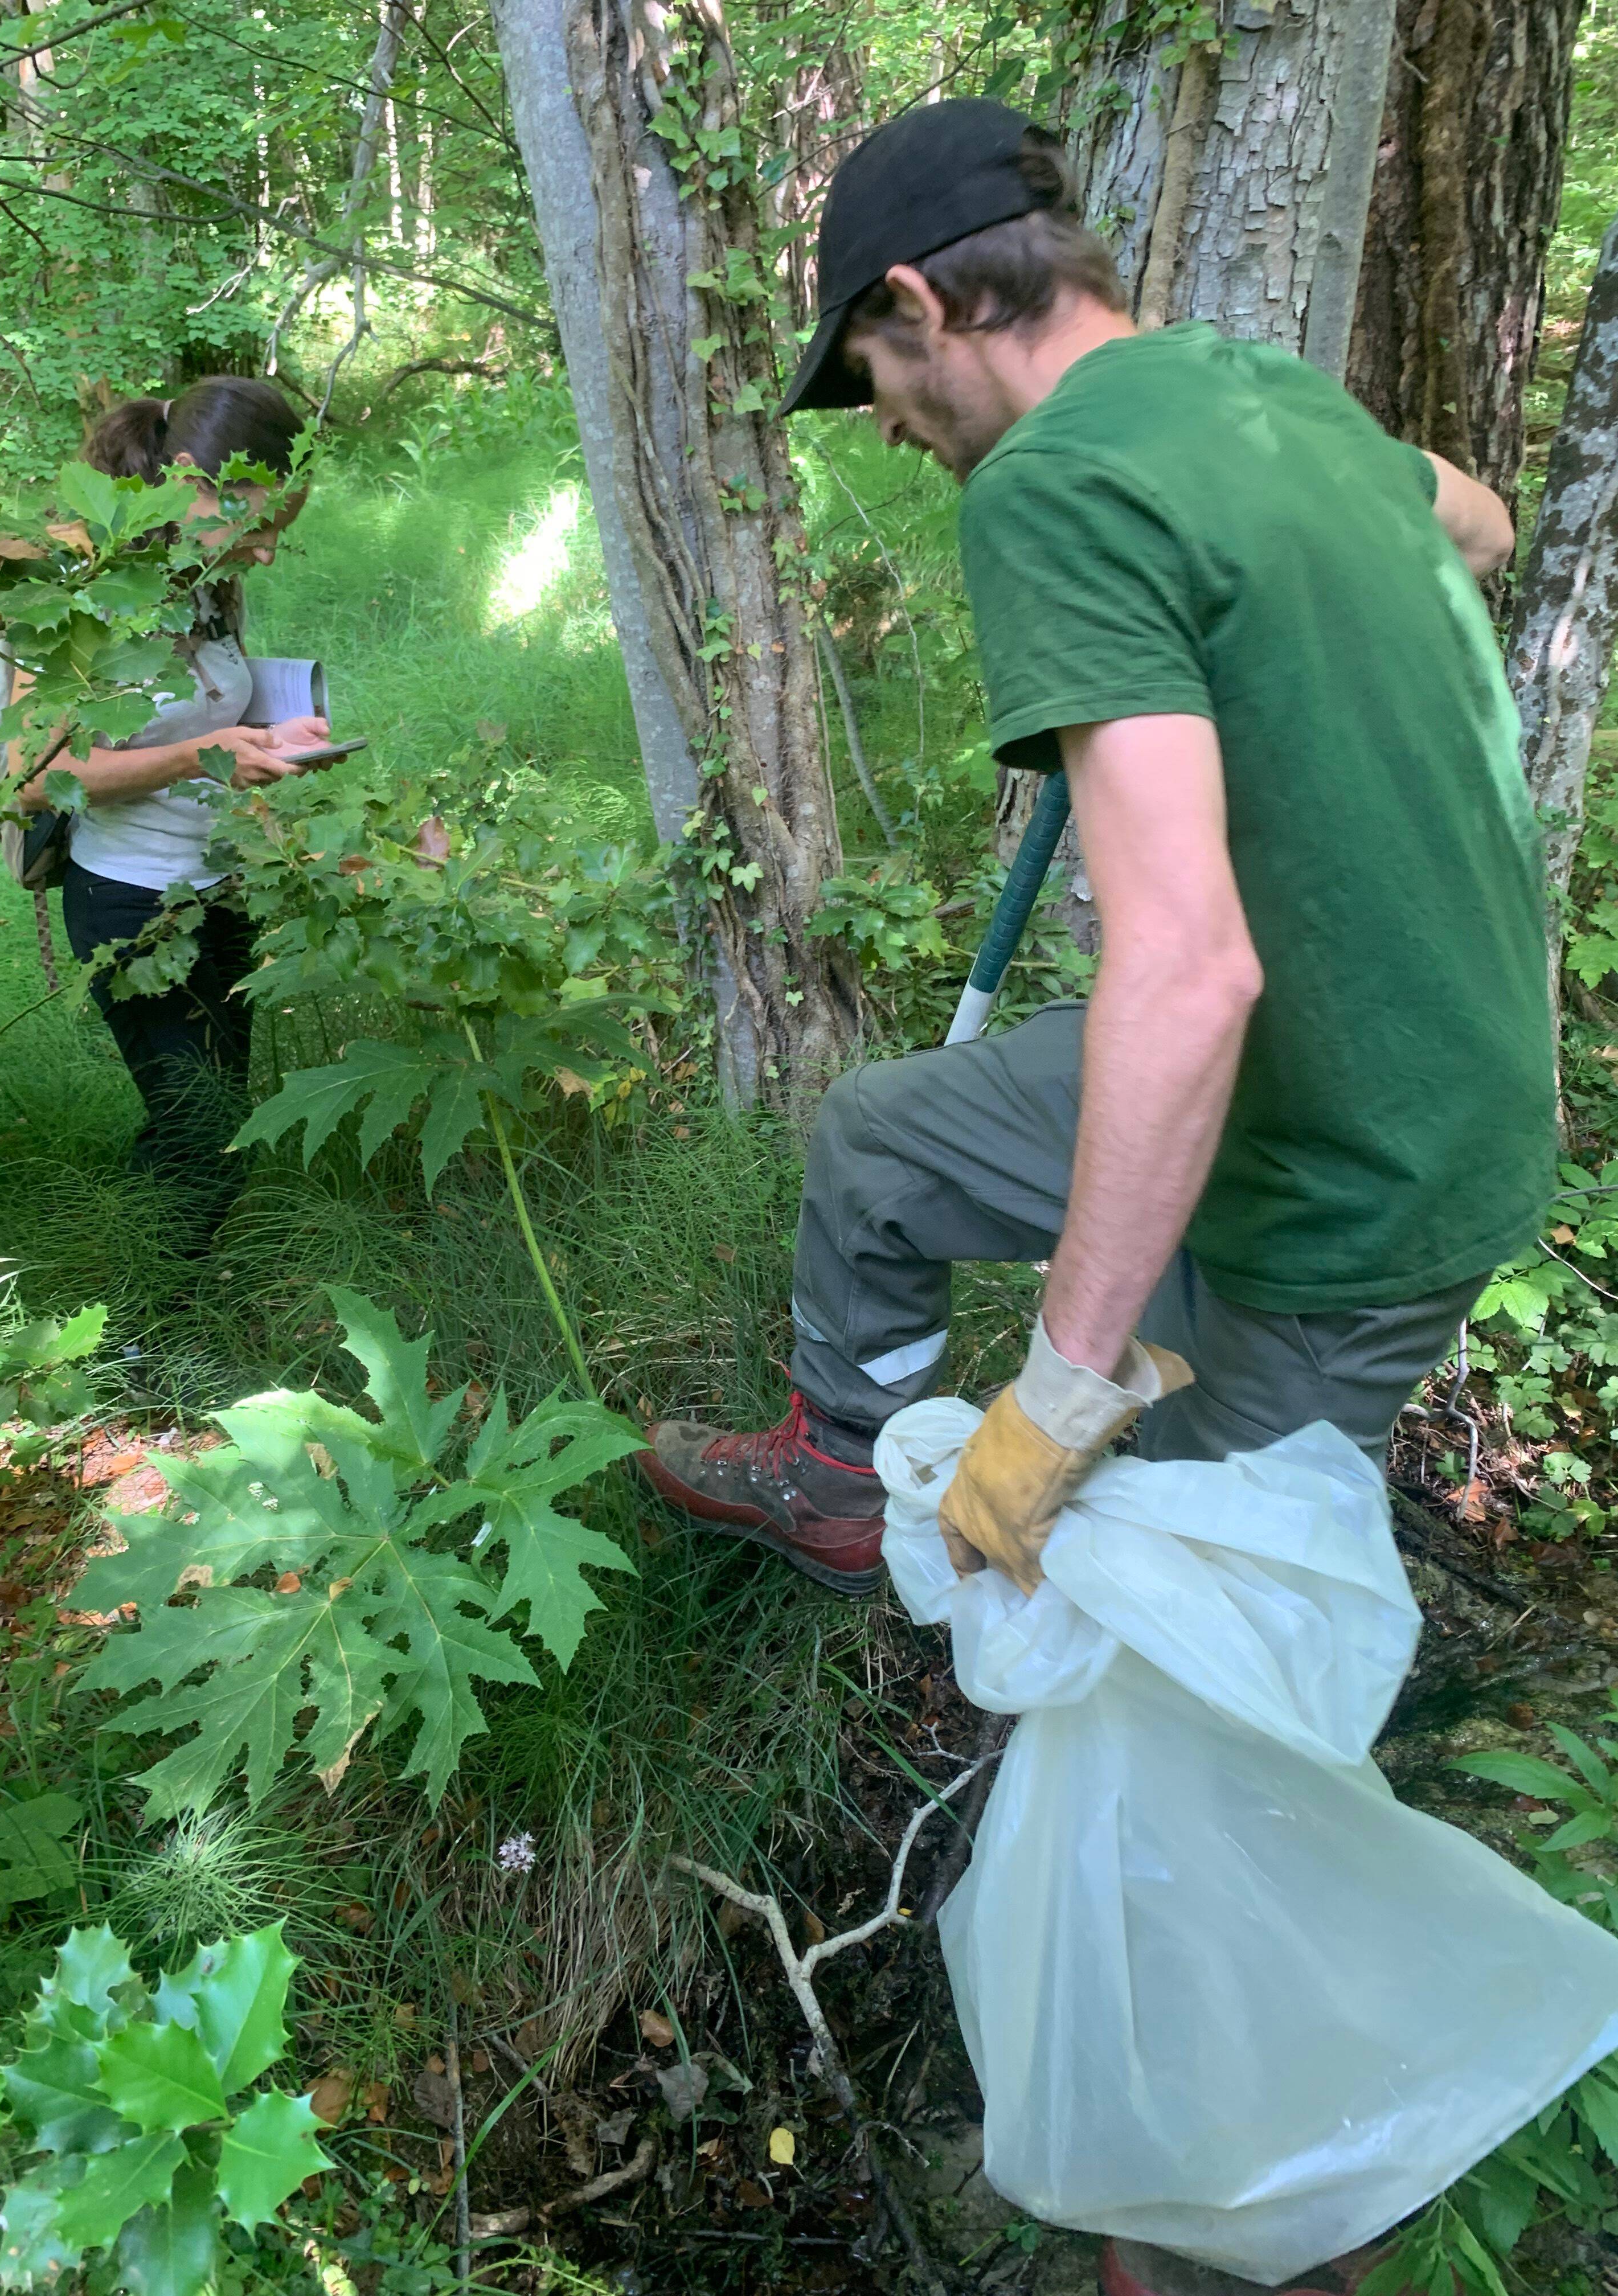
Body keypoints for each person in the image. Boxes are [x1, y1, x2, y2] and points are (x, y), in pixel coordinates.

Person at [638, 104, 1550, 1610]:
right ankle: (853, 1481)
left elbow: (1189, 973)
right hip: (1374, 1067)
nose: (877, 418)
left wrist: (1059, 1396)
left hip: (1362, 1168)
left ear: (922, 305)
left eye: (865, 368)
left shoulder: (1049, 484)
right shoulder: (1262, 398)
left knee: (1173, 1626)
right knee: (882, 1146)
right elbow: (1488, 526)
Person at [7, 375, 329, 1244]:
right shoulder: (83, 581)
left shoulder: (203, 571)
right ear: (191, 480)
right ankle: (144, 1346)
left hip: (218, 889)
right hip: (132, 904)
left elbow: (199, 699)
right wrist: (200, 757)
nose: (264, 552)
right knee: (205, 1135)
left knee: (208, 1119)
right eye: (258, 524)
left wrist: (271, 731)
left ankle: (163, 1293)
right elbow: (38, 777)